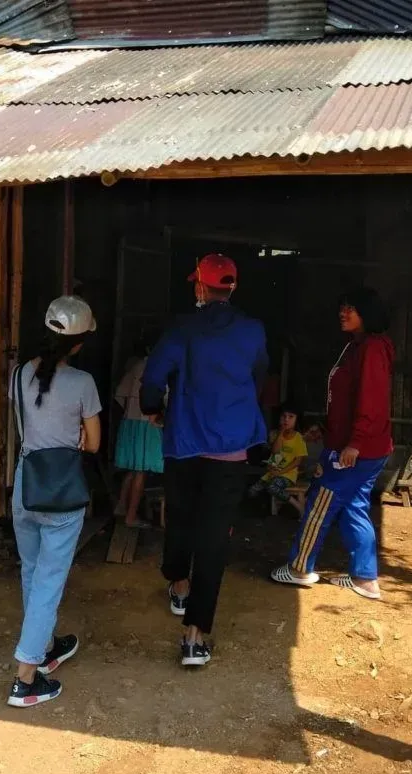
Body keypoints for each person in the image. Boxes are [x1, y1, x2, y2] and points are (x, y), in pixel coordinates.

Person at [141, 252, 269, 668]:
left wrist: (152, 409)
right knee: (214, 538)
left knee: (180, 518)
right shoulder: (253, 331)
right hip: (231, 450)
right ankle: (194, 638)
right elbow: (259, 376)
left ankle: (179, 586)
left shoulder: (183, 328)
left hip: (184, 444)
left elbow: (153, 376)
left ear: (199, 286)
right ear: (232, 288)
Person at [5, 296, 102, 708]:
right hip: (60, 488)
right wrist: (76, 436)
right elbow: (93, 444)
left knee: (32, 571)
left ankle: (44, 647)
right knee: (49, 580)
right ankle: (25, 677)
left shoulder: (18, 375)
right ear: (79, 343)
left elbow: (25, 429)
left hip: (26, 483)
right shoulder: (83, 383)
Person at [272, 288, 395, 601]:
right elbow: (345, 400)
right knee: (354, 508)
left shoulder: (371, 349)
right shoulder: (357, 346)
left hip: (355, 451)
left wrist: (353, 443)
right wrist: (326, 430)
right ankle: (365, 578)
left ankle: (300, 568)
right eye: (342, 307)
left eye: (351, 308)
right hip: (362, 447)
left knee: (320, 503)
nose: (343, 312)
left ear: (367, 313)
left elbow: (371, 401)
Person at [113, 338, 162, 528]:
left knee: (133, 469)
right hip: (146, 423)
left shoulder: (135, 366)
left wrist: (130, 410)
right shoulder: (157, 367)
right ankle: (131, 516)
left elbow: (119, 394)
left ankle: (121, 506)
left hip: (130, 422)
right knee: (141, 471)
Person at [248, 409, 310, 514]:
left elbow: (298, 461)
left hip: (287, 475)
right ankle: (262, 513)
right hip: (271, 472)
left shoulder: (298, 438)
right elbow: (275, 452)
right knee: (251, 491)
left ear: (297, 419)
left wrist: (280, 472)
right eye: (283, 416)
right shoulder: (274, 434)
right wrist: (281, 433)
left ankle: (298, 506)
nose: (286, 419)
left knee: (272, 487)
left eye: (291, 417)